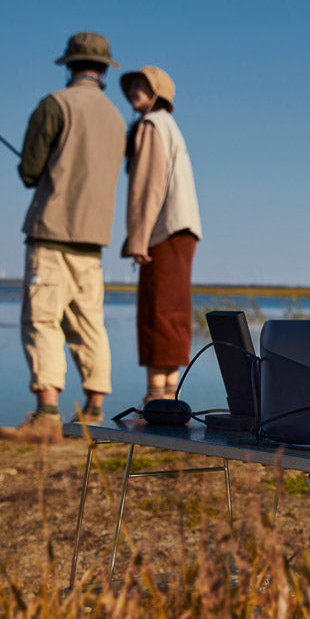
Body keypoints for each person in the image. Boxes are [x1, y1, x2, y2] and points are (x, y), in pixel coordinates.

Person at [0, 32, 126, 443]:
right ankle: (95, 412)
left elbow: (30, 171)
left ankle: (47, 415)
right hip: (94, 238)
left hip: (52, 231)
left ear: (70, 65)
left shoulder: (54, 104)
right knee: (90, 323)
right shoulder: (117, 118)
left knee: (43, 319)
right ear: (104, 70)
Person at [119, 66, 202, 403]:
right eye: (133, 85)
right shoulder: (171, 126)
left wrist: (138, 239)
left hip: (164, 230)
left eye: (143, 86)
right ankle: (167, 395)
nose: (135, 91)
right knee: (173, 311)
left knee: (158, 312)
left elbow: (147, 186)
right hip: (181, 228)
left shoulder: (153, 125)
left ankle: (156, 397)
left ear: (157, 92)